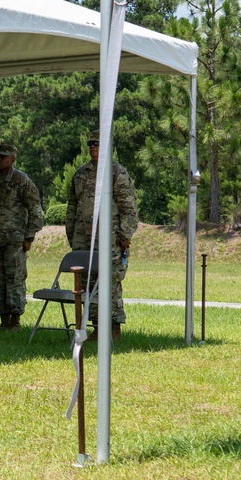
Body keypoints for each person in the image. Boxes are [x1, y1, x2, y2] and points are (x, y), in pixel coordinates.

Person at [65, 130, 138, 341]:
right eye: (91, 144)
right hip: (83, 238)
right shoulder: (80, 174)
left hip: (110, 237)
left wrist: (124, 234)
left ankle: (113, 327)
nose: (93, 147)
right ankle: (95, 326)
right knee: (86, 282)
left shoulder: (116, 172)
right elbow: (72, 206)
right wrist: (72, 233)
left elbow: (129, 208)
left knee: (109, 280)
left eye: (97, 143)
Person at [0, 143, 43, 332]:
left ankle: (15, 321)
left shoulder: (21, 180)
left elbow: (35, 209)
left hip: (15, 240)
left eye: (3, 156)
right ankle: (3, 320)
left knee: (14, 278)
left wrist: (29, 236)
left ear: (12, 159)